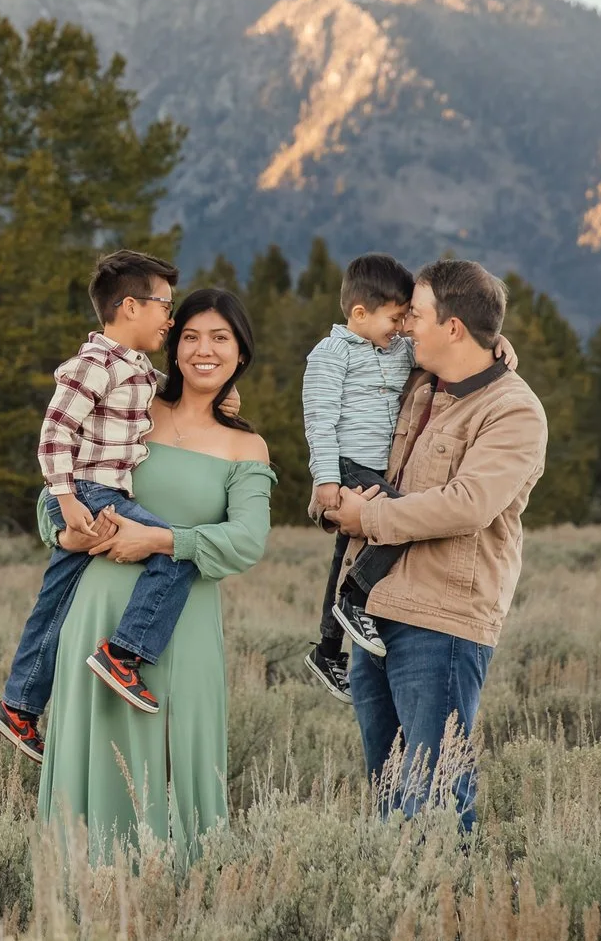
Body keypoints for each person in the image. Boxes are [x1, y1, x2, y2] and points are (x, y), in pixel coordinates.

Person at [30, 288, 275, 858]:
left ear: (241, 351)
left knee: (172, 758)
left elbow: (246, 542)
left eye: (220, 338)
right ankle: (79, 907)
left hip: (182, 631)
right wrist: (66, 535)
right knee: (92, 760)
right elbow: (56, 489)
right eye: (190, 336)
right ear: (171, 343)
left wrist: (160, 539)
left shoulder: (247, 447)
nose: (203, 350)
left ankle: (174, 913)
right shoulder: (132, 409)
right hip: (93, 611)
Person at [328, 258, 546, 833]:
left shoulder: (514, 410)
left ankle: (450, 919)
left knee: (437, 796)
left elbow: (468, 503)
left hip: (441, 622)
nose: (405, 327)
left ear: (453, 328)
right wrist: (334, 499)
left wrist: (369, 516)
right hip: (373, 612)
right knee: (386, 793)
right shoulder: (417, 388)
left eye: (417, 316)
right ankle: (396, 920)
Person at [0, 249, 182, 762]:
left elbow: (155, 392)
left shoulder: (134, 367)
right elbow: (54, 433)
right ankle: (124, 654)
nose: (171, 316)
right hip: (90, 494)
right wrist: (67, 499)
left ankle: (18, 706)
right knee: (175, 552)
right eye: (165, 304)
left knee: (54, 605)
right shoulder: (94, 364)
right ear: (131, 307)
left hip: (97, 494)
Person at [299, 253, 420, 701]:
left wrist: (498, 341)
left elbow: (445, 349)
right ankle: (354, 598)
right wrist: (326, 478)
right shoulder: (331, 355)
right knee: (403, 521)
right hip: (349, 464)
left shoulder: (399, 349)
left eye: (407, 317)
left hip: (376, 466)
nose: (402, 326)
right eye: (395, 317)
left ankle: (328, 649)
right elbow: (320, 420)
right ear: (360, 313)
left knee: (344, 553)